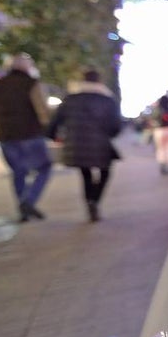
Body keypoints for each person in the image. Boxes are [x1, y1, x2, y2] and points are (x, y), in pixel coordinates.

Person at [45, 68, 124, 222]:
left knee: (85, 174)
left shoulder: (71, 99)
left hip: (76, 143)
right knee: (105, 172)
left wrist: (51, 135)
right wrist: (108, 135)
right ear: (99, 81)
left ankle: (90, 202)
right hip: (100, 143)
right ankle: (95, 200)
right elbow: (116, 125)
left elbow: (57, 120)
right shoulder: (107, 100)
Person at [0, 53, 53, 222]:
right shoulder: (32, 84)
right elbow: (42, 111)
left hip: (5, 136)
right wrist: (46, 128)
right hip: (31, 134)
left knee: (18, 172)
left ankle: (23, 209)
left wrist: (0, 124)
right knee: (45, 167)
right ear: (28, 67)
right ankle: (28, 201)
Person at [152, 94, 168, 175]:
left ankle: (163, 165)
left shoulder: (157, 110)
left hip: (159, 131)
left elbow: (153, 119)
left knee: (161, 149)